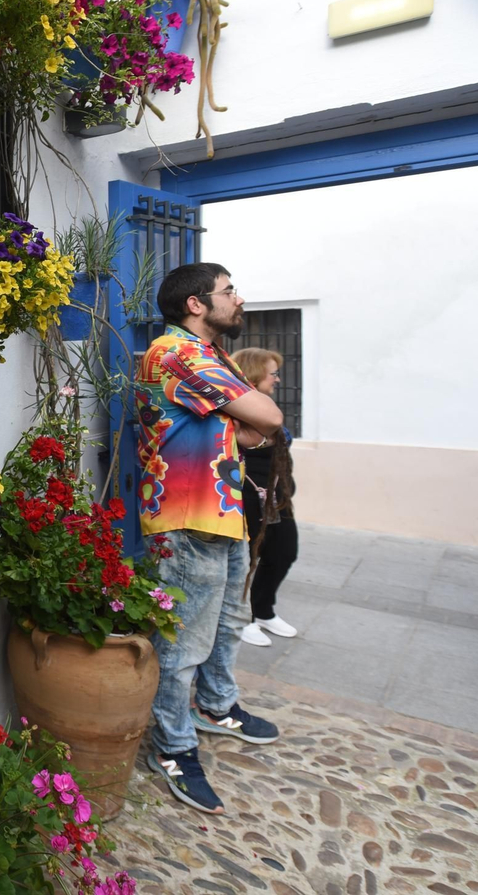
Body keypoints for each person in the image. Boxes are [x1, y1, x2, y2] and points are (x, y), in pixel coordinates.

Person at [136, 262, 284, 816]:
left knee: (226, 624)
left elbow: (249, 429)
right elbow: (265, 416)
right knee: (182, 643)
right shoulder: (179, 353)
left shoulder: (212, 358)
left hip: (220, 509)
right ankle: (172, 747)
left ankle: (217, 706)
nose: (238, 299)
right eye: (228, 292)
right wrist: (247, 417)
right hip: (186, 514)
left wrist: (243, 419)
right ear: (196, 304)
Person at [230, 348, 300, 648]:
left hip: (276, 497)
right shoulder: (235, 412)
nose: (278, 379)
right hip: (246, 495)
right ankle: (242, 618)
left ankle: (263, 611)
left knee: (284, 550)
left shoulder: (267, 408)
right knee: (243, 560)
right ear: (255, 376)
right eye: (272, 373)